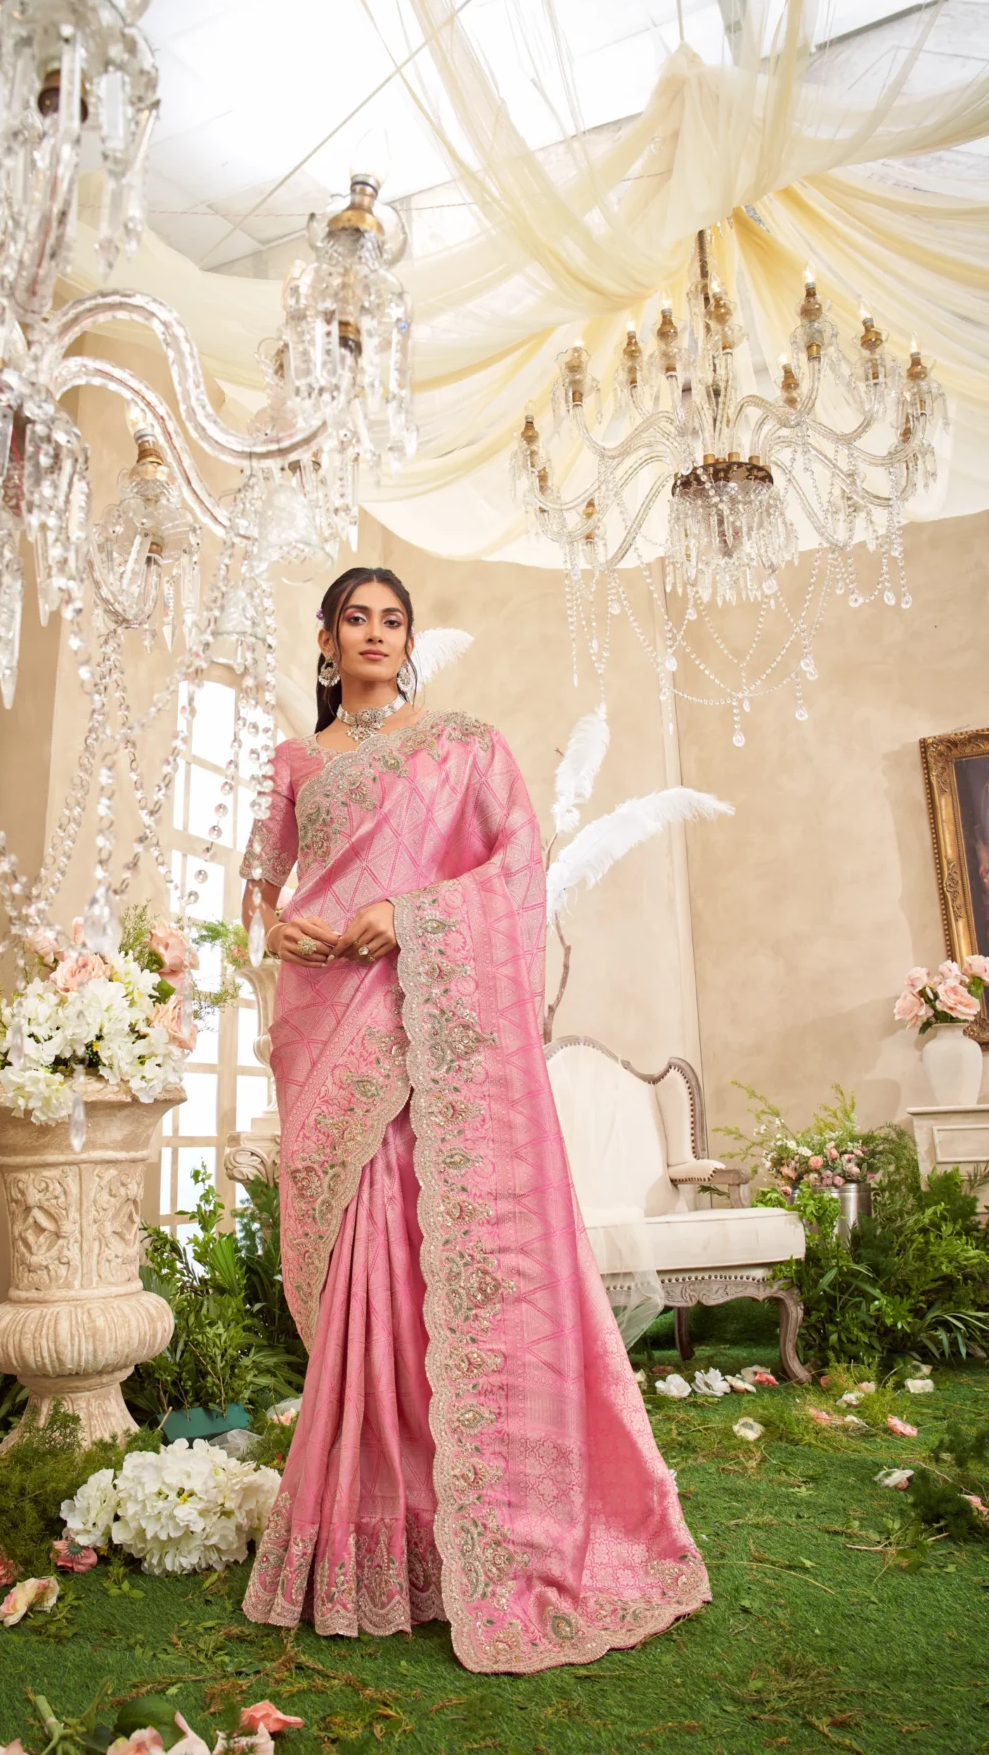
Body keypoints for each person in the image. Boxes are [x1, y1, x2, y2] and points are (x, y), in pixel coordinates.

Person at [238, 565, 708, 1674]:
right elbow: (263, 887)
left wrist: (407, 912)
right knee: (354, 1254)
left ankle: (462, 1526)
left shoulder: (463, 747)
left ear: (409, 641)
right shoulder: (295, 764)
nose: (373, 635)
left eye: (390, 620)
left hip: (418, 1028)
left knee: (411, 1260)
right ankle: (372, 1519)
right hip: (330, 1022)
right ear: (325, 638)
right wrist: (286, 933)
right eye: (355, 618)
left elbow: (517, 866)